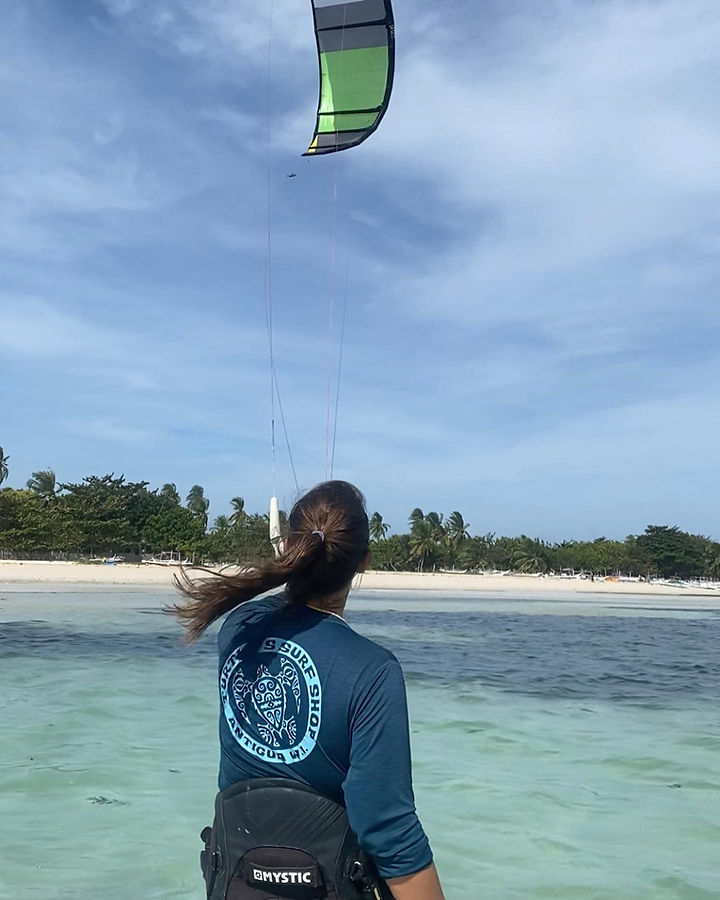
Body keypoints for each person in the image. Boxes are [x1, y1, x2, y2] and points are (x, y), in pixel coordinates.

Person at [173, 480, 445, 900]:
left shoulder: (238, 628)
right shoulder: (373, 671)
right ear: (364, 563)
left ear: (290, 549)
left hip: (236, 881)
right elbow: (388, 827)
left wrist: (294, 562)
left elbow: (274, 605)